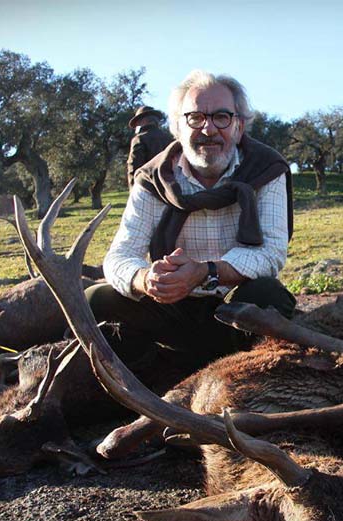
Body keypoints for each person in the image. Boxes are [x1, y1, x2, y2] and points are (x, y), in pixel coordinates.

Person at [87, 70, 295, 366]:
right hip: (171, 309)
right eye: (195, 118)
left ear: (238, 127)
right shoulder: (152, 178)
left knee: (268, 294)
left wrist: (206, 271)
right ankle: (148, 370)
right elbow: (119, 256)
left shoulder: (267, 169)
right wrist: (146, 279)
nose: (208, 129)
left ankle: (242, 367)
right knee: (95, 299)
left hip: (233, 311)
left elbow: (272, 253)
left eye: (221, 117)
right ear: (177, 128)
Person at [126, 106, 172, 187]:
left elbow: (134, 168)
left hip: (147, 188)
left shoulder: (139, 139)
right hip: (170, 187)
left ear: (142, 121)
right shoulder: (169, 138)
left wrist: (133, 191)